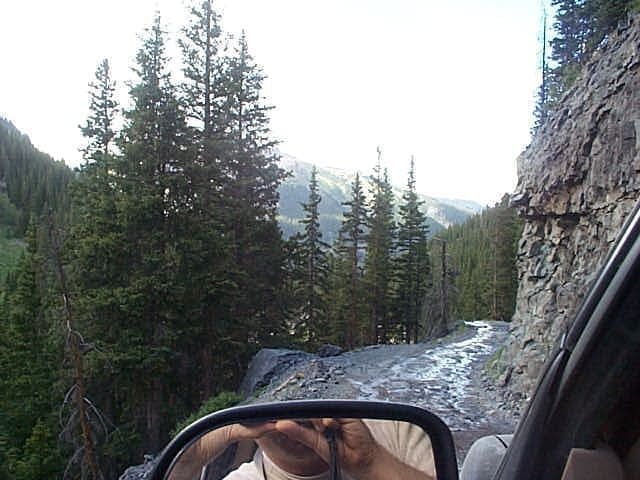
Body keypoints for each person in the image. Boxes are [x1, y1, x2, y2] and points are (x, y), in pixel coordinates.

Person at [167, 418, 436, 480]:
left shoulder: (400, 431)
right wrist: (195, 451)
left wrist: (370, 462)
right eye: (268, 416)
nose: (289, 425)